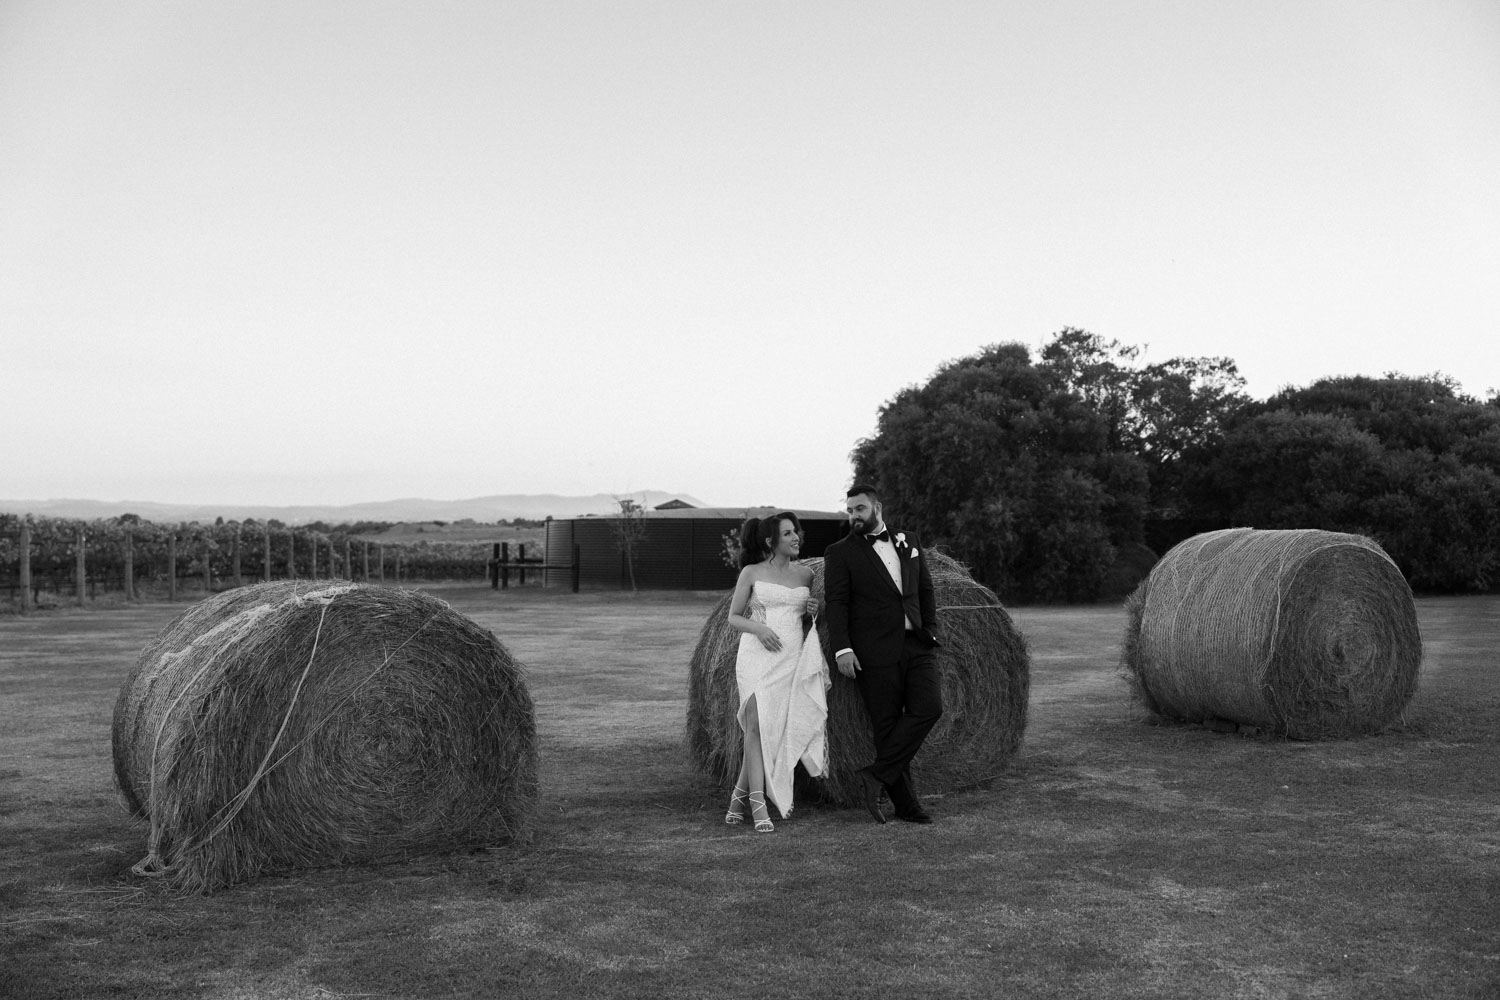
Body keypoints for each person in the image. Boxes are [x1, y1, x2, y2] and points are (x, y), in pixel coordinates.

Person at [823, 483, 941, 824]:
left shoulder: (910, 541)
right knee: (887, 727)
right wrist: (842, 648)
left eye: (859, 509)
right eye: (849, 510)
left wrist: (930, 628)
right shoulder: (840, 552)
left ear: (877, 507)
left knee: (930, 708)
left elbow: (925, 589)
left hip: (916, 644)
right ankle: (907, 806)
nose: (853, 516)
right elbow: (837, 603)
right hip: (872, 651)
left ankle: (875, 773)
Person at [723, 512, 829, 833]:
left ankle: (737, 797)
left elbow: (808, 615)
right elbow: (733, 617)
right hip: (757, 655)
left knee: (768, 729)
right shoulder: (751, 572)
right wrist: (759, 628)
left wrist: (814, 609)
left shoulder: (806, 575)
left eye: (796, 532)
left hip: (789, 659)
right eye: (787, 534)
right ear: (772, 541)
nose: (796, 537)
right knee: (755, 725)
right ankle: (759, 805)